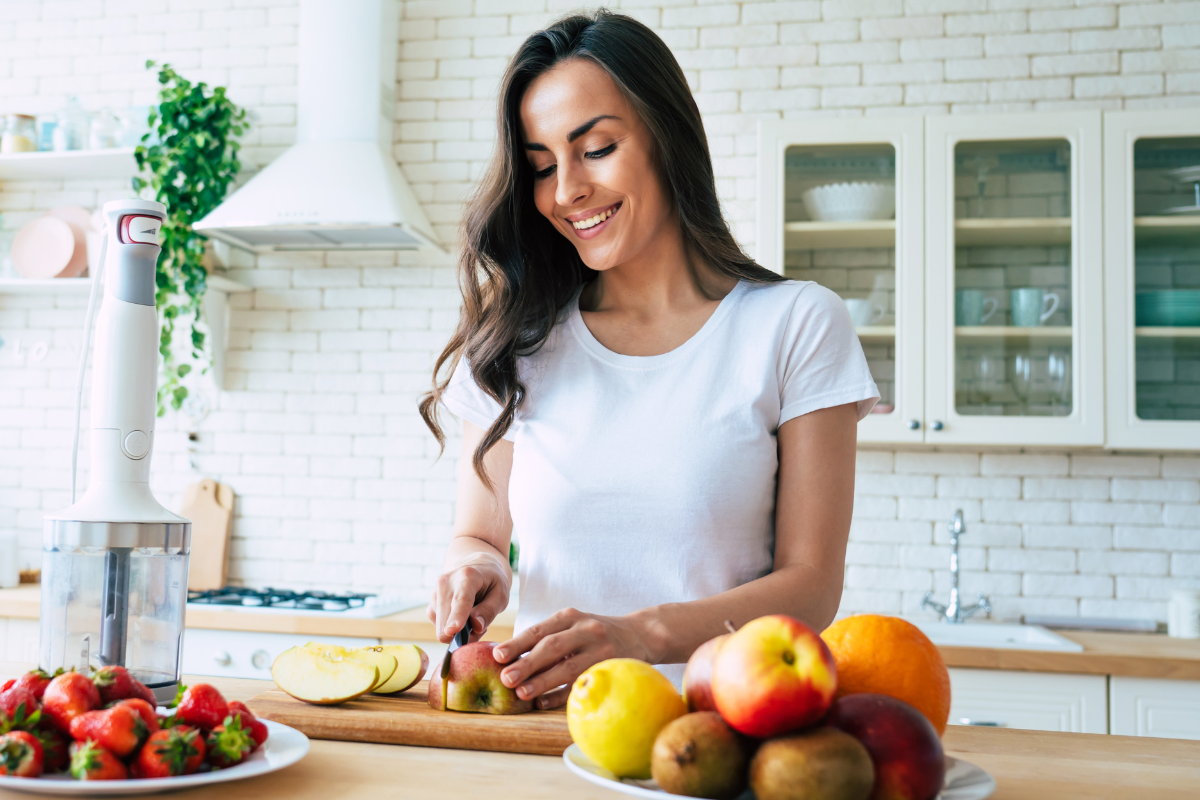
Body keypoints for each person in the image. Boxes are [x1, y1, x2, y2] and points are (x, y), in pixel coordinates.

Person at [420, 10, 878, 710]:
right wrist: (474, 569)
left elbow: (811, 584)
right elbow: (478, 534)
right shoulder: (519, 340)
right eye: (541, 167)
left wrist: (640, 634)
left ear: (667, 136)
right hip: (543, 740)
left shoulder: (794, 324)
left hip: (715, 739)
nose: (565, 190)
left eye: (595, 148)